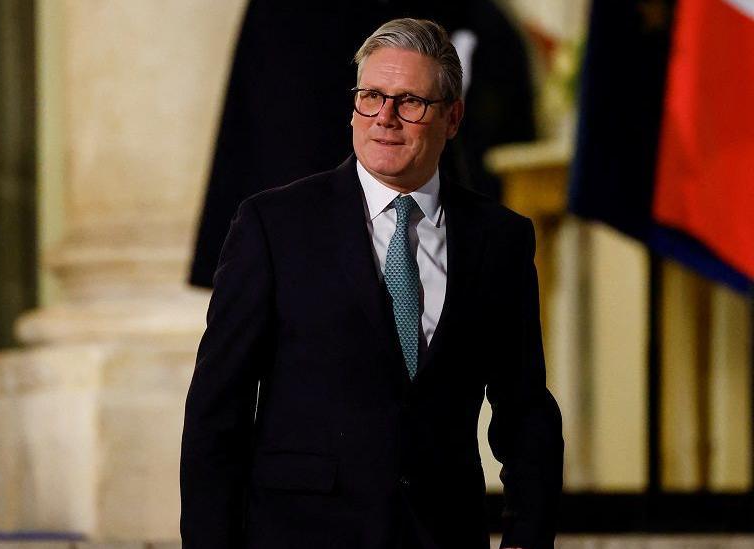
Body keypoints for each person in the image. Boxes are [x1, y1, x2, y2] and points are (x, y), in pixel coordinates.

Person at [180, 18, 563, 549]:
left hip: (442, 534)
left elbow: (525, 410)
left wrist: (526, 537)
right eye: (371, 97)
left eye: (409, 102)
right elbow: (216, 412)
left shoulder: (500, 240)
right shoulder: (273, 226)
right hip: (300, 535)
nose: (384, 118)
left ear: (452, 117)